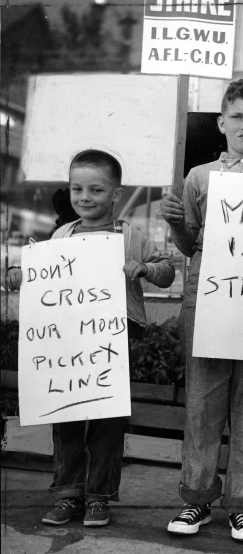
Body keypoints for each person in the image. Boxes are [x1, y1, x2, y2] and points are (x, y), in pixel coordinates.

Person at [160, 79, 243, 543]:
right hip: (209, 299)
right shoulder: (199, 177)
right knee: (202, 404)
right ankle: (195, 500)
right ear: (221, 123)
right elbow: (189, 246)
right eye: (237, 116)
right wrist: (176, 222)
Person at [5, 149, 176, 527]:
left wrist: (144, 268)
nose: (84, 197)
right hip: (68, 338)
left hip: (114, 337)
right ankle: (68, 496)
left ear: (115, 194)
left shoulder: (131, 236)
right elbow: (42, 278)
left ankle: (99, 497)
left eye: (96, 190)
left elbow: (167, 272)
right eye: (76, 188)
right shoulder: (61, 234)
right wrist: (20, 274)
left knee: (107, 420)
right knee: (65, 417)